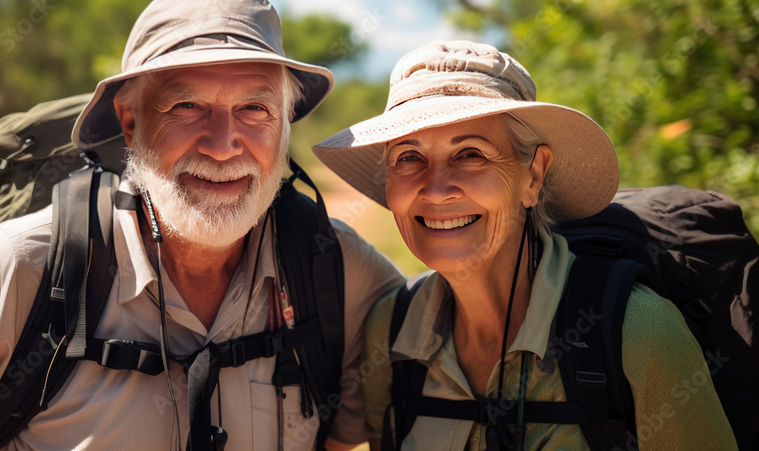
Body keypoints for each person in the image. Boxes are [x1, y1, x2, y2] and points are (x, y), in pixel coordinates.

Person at [0, 0, 405, 451]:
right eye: (186, 107)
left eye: (254, 109)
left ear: (285, 123)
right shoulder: (18, 271)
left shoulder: (332, 267)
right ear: (129, 123)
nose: (222, 144)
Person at [312, 40, 738, 450]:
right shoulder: (390, 331)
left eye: (471, 154)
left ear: (533, 176)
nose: (436, 189)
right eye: (408, 157)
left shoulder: (639, 332)